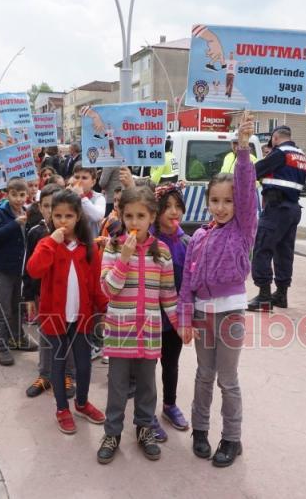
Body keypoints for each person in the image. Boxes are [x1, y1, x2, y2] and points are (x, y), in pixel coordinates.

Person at [177, 114, 257, 468]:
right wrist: (184, 318)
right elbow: (186, 285)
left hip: (230, 314)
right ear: (207, 202)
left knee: (227, 379)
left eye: (228, 202)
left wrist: (242, 150)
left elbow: (244, 187)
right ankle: (200, 431)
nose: (222, 208)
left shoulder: (242, 227)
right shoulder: (198, 236)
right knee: (203, 375)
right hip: (202, 315)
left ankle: (231, 438)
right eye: (215, 201)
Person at [97, 186, 179, 464]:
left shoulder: (163, 251)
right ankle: (112, 432)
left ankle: (145, 429)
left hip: (150, 332)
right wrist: (123, 259)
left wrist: (181, 324)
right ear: (121, 215)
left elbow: (168, 294)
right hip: (121, 331)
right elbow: (108, 290)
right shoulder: (113, 246)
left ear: (152, 217)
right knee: (117, 386)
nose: (134, 222)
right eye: (129, 216)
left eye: (140, 216)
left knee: (147, 386)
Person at [26, 189, 109, 434]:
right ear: (51, 217)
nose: (63, 221)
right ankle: (62, 408)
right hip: (55, 318)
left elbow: (95, 284)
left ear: (78, 217)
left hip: (81, 318)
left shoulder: (87, 248)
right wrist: (52, 242)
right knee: (58, 366)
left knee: (84, 365)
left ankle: (81, 403)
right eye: (58, 215)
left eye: (69, 216)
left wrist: (103, 311)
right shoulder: (46, 244)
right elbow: (34, 270)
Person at [247, 125, 306, 311]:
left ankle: (264, 296)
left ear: (275, 138)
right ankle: (281, 295)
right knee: (284, 252)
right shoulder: (302, 157)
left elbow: (255, 170)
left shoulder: (280, 153)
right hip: (293, 209)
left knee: (262, 249)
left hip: (276, 208)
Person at [147, 181, 191, 442]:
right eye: (167, 207)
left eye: (178, 207)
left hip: (175, 319)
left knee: (171, 363)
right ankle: (146, 413)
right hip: (151, 317)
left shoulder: (187, 242)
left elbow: (190, 283)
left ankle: (169, 405)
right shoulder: (149, 243)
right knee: (147, 367)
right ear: (156, 211)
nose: (174, 212)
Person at [23, 184, 76, 398]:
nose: (51, 211)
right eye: (47, 206)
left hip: (68, 297)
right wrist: (29, 296)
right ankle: (45, 375)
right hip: (43, 295)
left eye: (54, 206)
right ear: (41, 207)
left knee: (68, 336)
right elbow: (29, 266)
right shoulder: (36, 232)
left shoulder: (73, 236)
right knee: (45, 335)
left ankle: (67, 374)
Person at [0, 178, 38, 366]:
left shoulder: (26, 211)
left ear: (27, 196)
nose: (18, 199)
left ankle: (18, 338)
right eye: (14, 195)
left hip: (20, 270)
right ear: (7, 194)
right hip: (3, 270)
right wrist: (15, 224)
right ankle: (0, 347)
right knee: (3, 308)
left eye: (22, 195)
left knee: (18, 307)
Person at [69, 164, 105, 240]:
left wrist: (81, 196)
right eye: (76, 177)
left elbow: (97, 216)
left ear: (93, 182)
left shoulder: (99, 198)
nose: (79, 181)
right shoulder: (68, 195)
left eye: (84, 178)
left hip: (90, 243)